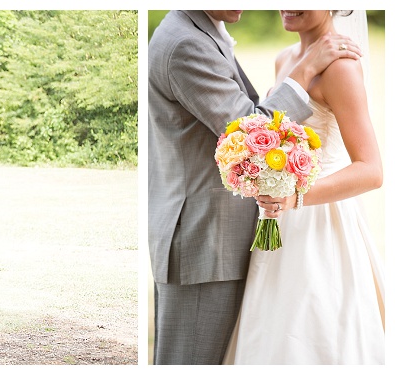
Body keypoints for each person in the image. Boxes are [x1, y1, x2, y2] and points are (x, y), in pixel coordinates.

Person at [147, 10, 361, 364]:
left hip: (285, 233)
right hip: (206, 242)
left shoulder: (202, 27)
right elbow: (246, 133)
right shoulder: (186, 42)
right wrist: (304, 71)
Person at [224, 10, 384, 364]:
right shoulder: (284, 59)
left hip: (320, 224)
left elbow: (372, 170)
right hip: (275, 221)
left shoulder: (342, 68)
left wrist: (294, 196)